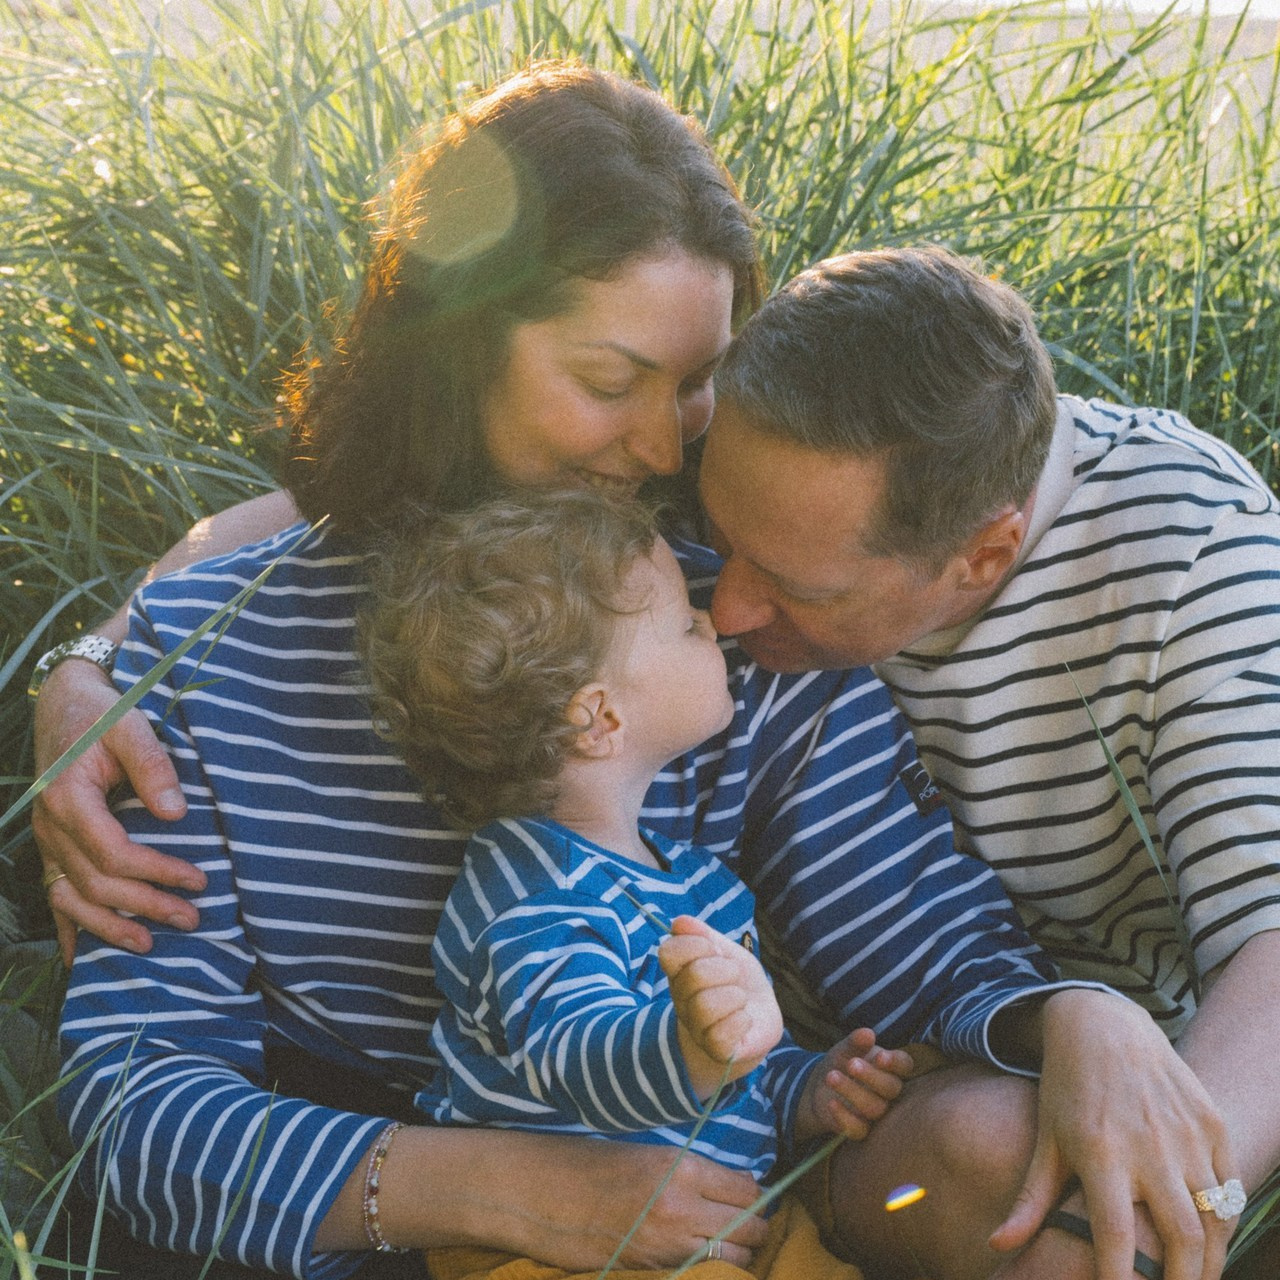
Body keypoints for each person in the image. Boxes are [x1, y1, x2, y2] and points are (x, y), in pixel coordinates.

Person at [37, 61, 1221, 1280]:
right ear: (454, 344)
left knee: (1025, 1168)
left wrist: (1073, 1013)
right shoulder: (203, 659)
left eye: (694, 384)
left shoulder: (719, 629)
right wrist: (508, 1191)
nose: (663, 445)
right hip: (363, 1224)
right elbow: (137, 1098)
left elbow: (918, 945)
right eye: (609, 383)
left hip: (708, 1211)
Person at [698, 244, 1280, 1280]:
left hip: (1130, 1074)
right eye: (716, 534)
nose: (726, 610)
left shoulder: (1187, 548)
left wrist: (1171, 1198)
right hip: (843, 1087)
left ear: (983, 554)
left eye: (795, 587)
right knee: (998, 1158)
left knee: (1084, 1212)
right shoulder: (762, 470)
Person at [358, 488, 914, 1279]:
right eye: (686, 623)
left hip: (723, 1222)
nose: (716, 623)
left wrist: (807, 1086)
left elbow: (736, 1078)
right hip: (554, 1251)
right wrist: (696, 1046)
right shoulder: (525, 891)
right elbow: (577, 1057)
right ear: (599, 720)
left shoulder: (700, 885)